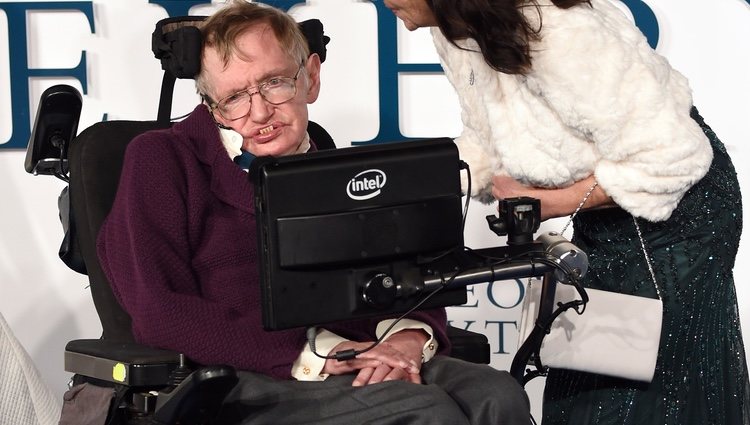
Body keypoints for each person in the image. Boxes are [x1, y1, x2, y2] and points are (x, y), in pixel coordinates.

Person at [96, 1, 531, 424]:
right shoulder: (160, 159)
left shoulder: (337, 168)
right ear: (211, 104)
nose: (260, 112)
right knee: (422, 410)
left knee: (496, 395)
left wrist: (409, 336)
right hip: (249, 372)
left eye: (274, 83)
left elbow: (405, 277)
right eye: (234, 98)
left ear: (311, 77)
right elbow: (159, 310)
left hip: (363, 354)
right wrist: (316, 357)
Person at [384, 0, 750, 424]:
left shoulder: (557, 32)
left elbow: (671, 158)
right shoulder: (455, 30)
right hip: (610, 206)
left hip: (679, 214)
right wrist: (405, 184)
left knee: (646, 377)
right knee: (592, 362)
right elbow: (486, 137)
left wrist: (551, 204)